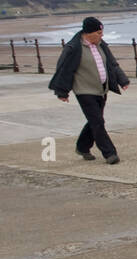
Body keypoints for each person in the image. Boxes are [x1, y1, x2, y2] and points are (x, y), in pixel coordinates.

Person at [48, 16, 130, 164]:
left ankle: (82, 146)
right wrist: (62, 92)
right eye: (99, 33)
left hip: (101, 89)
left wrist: (122, 80)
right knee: (97, 121)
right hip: (84, 90)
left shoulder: (101, 44)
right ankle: (110, 153)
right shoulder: (73, 48)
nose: (101, 35)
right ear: (88, 32)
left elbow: (112, 64)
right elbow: (64, 69)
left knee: (95, 120)